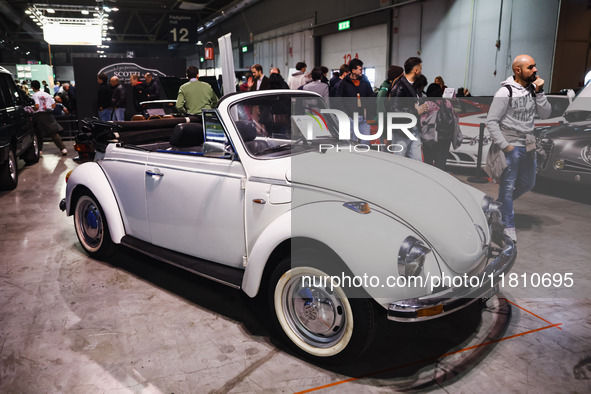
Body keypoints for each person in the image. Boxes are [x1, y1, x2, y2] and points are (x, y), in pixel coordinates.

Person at [485, 54, 551, 242]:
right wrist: (505, 146)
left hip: (528, 144)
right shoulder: (505, 92)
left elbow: (545, 113)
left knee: (528, 183)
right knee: (507, 187)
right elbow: (492, 121)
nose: (535, 70)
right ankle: (508, 224)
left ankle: (497, 208)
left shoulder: (533, 90)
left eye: (535, 66)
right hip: (511, 145)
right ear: (517, 70)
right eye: (530, 67)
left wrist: (540, 92)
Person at [389, 56, 428, 160]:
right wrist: (415, 111)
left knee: (417, 162)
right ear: (415, 70)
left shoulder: (414, 87)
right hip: (401, 132)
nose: (421, 71)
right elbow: (394, 111)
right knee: (399, 162)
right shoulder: (399, 87)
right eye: (420, 68)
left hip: (414, 130)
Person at [420, 83, 461, 170]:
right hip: (445, 138)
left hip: (430, 139)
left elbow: (422, 122)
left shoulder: (428, 104)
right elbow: (455, 118)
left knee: (428, 164)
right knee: (441, 165)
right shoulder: (448, 103)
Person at [336, 58, 375, 140]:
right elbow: (338, 101)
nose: (362, 71)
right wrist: (347, 115)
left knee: (365, 143)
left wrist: (370, 114)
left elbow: (371, 98)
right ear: (353, 70)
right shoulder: (343, 83)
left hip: (364, 117)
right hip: (350, 118)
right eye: (360, 69)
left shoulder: (365, 81)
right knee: (351, 143)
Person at [30, 80, 68, 156]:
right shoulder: (46, 94)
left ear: (32, 87)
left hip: (38, 116)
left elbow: (37, 106)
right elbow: (54, 104)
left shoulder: (34, 95)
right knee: (53, 132)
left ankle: (39, 151)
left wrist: (31, 109)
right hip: (48, 114)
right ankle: (63, 149)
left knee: (38, 134)